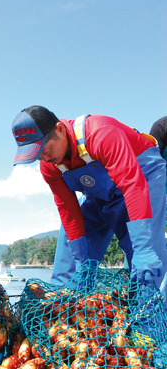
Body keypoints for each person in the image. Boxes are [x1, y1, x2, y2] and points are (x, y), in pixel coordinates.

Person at [11, 106, 167, 309]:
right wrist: (81, 260)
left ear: (59, 129)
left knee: (145, 265)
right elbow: (67, 209)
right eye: (37, 155)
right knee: (71, 267)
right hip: (100, 193)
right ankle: (63, 320)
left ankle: (147, 329)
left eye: (44, 149)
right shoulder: (49, 166)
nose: (44, 158)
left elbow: (132, 185)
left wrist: (144, 248)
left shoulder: (100, 132)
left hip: (141, 178)